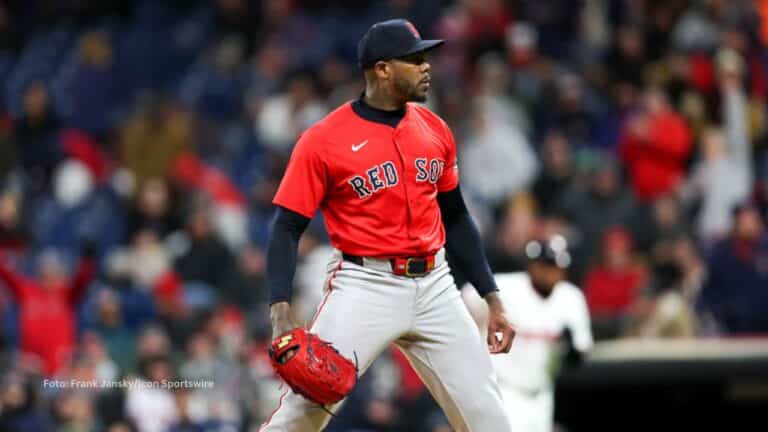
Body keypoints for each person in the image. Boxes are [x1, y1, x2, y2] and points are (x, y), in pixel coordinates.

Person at [261, 19, 515, 431]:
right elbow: (286, 227)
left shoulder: (435, 129)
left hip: (436, 285)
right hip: (365, 286)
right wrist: (279, 309)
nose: (427, 67)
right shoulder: (323, 139)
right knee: (301, 413)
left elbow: (457, 216)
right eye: (414, 60)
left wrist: (492, 297)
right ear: (382, 69)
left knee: (489, 419)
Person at [462, 236, 592, 432]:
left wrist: (570, 347)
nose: (551, 272)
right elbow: (466, 298)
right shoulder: (505, 288)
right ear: (532, 265)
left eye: (557, 266)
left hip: (542, 394)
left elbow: (580, 354)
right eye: (546, 265)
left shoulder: (571, 298)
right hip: (502, 389)